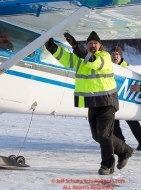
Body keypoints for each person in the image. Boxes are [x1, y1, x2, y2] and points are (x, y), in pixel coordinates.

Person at [45, 31, 133, 175]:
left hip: (106, 102)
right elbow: (66, 58)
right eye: (90, 43)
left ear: (100, 46)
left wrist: (75, 46)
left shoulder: (103, 57)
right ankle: (125, 151)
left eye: (95, 43)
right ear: (87, 44)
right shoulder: (81, 58)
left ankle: (107, 166)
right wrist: (51, 46)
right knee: (98, 136)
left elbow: (92, 61)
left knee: (104, 135)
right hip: (92, 102)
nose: (93, 45)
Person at [111, 46, 141, 151]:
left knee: (132, 120)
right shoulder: (109, 66)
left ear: (121, 56)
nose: (115, 57)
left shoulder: (128, 67)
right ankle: (121, 143)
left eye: (117, 55)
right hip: (113, 98)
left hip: (126, 98)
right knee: (113, 122)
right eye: (113, 55)